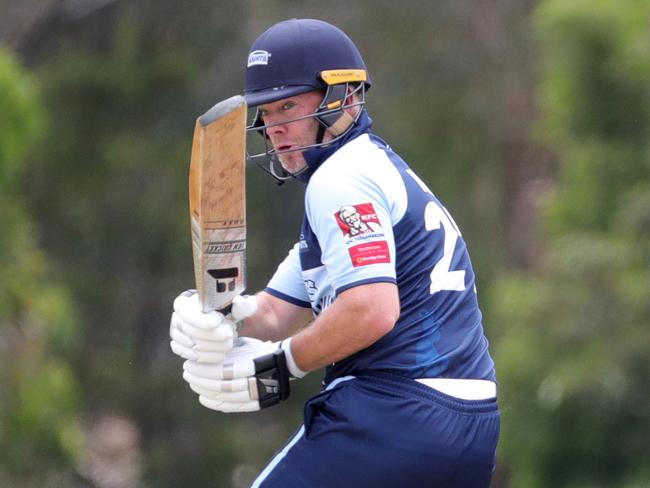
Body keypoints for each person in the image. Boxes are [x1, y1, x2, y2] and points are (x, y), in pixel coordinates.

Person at [169, 18, 500, 487]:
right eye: (266, 112)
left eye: (288, 106)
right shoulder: (371, 169)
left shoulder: (339, 180)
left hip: (394, 412)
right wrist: (222, 316)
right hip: (471, 426)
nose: (274, 128)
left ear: (342, 98)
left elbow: (371, 310)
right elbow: (277, 312)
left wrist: (280, 367)